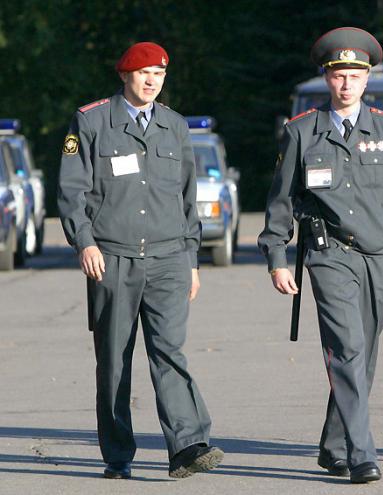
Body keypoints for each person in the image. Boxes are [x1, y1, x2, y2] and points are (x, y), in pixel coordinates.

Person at [258, 27, 383, 483]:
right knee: (347, 350)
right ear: (326, 77)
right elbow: (280, 202)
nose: (345, 83)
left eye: (355, 75)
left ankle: (334, 443)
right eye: (338, 75)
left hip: (380, 257)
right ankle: (361, 453)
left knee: (366, 354)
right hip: (330, 255)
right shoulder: (301, 133)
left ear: (367, 79)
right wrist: (277, 257)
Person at [57, 41, 223, 480]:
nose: (152, 81)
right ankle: (117, 453)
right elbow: (71, 193)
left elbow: (188, 199)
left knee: (169, 351)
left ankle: (188, 445)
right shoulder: (92, 121)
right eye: (144, 72)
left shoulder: (174, 125)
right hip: (112, 258)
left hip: (169, 257)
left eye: (160, 74)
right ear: (125, 75)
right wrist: (85, 243)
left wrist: (192, 258)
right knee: (114, 359)